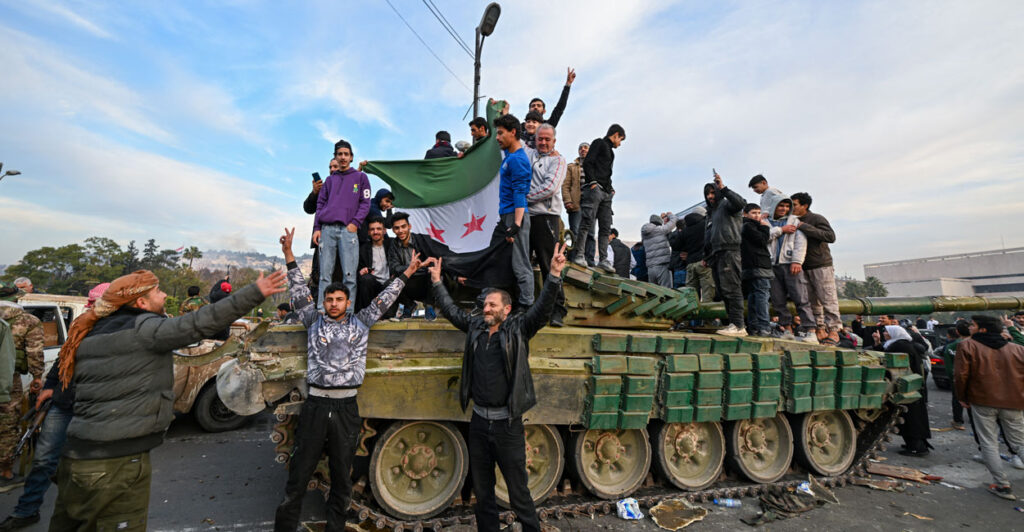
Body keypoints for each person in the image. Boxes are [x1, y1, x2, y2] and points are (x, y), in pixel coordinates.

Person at [47, 268, 283, 530]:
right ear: (141, 302)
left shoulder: (92, 334)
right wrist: (255, 292)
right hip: (116, 465)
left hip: (76, 459)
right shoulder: (143, 330)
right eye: (158, 291)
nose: (164, 295)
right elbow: (199, 322)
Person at [273, 228, 420, 531]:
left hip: (346, 409)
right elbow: (299, 291)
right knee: (298, 475)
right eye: (330, 299)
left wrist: (406, 273)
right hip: (315, 406)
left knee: (342, 477)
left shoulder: (361, 322)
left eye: (340, 299)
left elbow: (385, 298)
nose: (335, 304)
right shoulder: (313, 321)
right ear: (324, 302)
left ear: (347, 301)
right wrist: (289, 254)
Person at [427, 243, 567, 532]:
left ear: (507, 308)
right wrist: (438, 282)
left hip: (507, 425)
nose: (486, 308)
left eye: (492, 305)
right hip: (479, 422)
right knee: (483, 492)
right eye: (485, 305)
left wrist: (553, 276)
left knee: (518, 493)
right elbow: (453, 312)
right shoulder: (476, 328)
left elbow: (541, 311)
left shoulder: (519, 329)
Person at [955, 315, 1024, 500]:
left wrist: (962, 397)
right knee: (1019, 442)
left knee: (989, 443)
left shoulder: (967, 346)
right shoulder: (1017, 349)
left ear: (982, 329)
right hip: (1013, 401)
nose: (970, 327)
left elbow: (961, 375)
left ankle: (1002, 485)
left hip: (982, 400)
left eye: (974, 325)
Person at [313, 139, 372, 311]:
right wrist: (317, 228)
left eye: (346, 154)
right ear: (335, 157)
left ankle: (348, 313)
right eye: (340, 154)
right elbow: (320, 205)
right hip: (327, 230)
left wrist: (355, 223)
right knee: (325, 275)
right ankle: (322, 312)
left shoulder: (361, 178)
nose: (343, 157)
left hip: (348, 230)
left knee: (349, 276)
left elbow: (365, 203)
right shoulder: (330, 181)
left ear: (352, 157)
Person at [0, 286, 43, 494]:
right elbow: (34, 351)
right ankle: (6, 472)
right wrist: (37, 377)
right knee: (8, 424)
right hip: (9, 378)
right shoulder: (28, 321)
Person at [526, 123, 568, 326]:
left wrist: (522, 199)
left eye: (547, 139)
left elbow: (550, 188)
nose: (543, 142)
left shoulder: (558, 160)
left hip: (546, 217)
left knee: (548, 263)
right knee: (522, 262)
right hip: (525, 217)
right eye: (540, 138)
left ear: (554, 141)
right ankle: (524, 306)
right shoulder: (528, 153)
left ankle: (557, 309)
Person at [493, 114, 534, 307]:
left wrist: (516, 224)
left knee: (521, 265)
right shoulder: (510, 156)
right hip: (507, 216)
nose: (497, 137)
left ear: (513, 132)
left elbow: (520, 192)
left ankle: (526, 307)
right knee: (503, 262)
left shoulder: (518, 159)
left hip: (515, 216)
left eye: (501, 133)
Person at [790, 192, 841, 345]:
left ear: (804, 206)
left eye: (795, 204)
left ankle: (834, 330)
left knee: (828, 298)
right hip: (802, 266)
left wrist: (804, 227)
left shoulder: (816, 218)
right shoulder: (791, 221)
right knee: (812, 301)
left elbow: (830, 236)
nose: (792, 208)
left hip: (821, 265)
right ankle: (819, 328)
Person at [574, 124, 626, 273]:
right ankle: (579, 255)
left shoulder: (611, 152)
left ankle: (603, 260)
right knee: (587, 223)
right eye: (620, 139)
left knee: (605, 227)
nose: (619, 144)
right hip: (595, 190)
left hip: (606, 193)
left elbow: (607, 172)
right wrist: (592, 183)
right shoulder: (599, 143)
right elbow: (588, 162)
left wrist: (610, 188)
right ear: (615, 135)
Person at [766, 194, 817, 343]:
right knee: (777, 299)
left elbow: (801, 243)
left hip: (790, 264)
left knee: (801, 298)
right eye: (781, 205)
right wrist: (781, 230)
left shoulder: (795, 221)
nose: (784, 209)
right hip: (772, 265)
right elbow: (764, 237)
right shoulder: (765, 222)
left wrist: (797, 261)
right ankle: (786, 329)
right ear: (774, 206)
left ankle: (810, 330)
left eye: (787, 206)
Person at [876, 325, 931, 457]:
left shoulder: (899, 346)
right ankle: (915, 444)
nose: (884, 333)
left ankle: (917, 447)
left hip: (908, 388)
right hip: (911, 386)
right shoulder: (903, 343)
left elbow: (884, 355)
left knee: (911, 418)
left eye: (887, 332)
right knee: (911, 416)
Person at [702, 172, 747, 337]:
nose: (710, 196)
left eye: (713, 192)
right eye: (707, 193)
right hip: (716, 253)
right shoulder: (711, 213)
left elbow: (740, 203)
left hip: (730, 250)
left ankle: (739, 324)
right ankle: (732, 324)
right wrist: (707, 256)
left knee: (732, 288)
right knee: (723, 290)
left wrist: (724, 188)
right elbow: (708, 237)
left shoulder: (727, 205)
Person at [387, 212, 444, 320]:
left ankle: (429, 307)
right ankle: (409, 306)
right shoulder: (393, 245)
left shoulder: (422, 240)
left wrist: (423, 267)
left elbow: (437, 259)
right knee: (389, 283)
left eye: (403, 226)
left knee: (435, 274)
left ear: (409, 226)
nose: (400, 231)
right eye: (397, 228)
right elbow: (394, 268)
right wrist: (412, 267)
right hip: (407, 284)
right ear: (393, 230)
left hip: (424, 283)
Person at [304, 159, 344, 297]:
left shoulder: (351, 186)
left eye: (336, 166)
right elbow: (308, 208)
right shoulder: (324, 188)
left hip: (343, 241)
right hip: (322, 240)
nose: (332, 169)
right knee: (320, 276)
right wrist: (315, 192)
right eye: (330, 167)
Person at [741, 204, 773, 337]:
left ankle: (753, 326)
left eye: (759, 212)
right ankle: (764, 326)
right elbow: (762, 240)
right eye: (754, 212)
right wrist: (765, 227)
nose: (757, 215)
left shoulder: (744, 226)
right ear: (745, 214)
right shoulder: (749, 226)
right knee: (762, 295)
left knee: (754, 296)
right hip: (759, 265)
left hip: (750, 266)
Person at [357, 217, 398, 319]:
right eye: (372, 229)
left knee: (394, 281)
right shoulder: (363, 249)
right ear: (368, 232)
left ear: (384, 231)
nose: (375, 232)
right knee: (366, 279)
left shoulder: (393, 244)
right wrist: (361, 271)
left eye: (379, 229)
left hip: (388, 286)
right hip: (372, 287)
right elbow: (357, 270)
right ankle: (368, 313)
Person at [562, 142, 588, 262]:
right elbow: (565, 186)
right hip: (576, 204)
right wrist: (567, 201)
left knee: (590, 233)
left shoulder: (596, 166)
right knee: (575, 231)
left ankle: (589, 260)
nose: (583, 150)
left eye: (586, 147)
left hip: (590, 204)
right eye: (581, 148)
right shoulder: (571, 167)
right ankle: (572, 258)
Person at [942, 322, 970, 430]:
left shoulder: (951, 346)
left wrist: (952, 379)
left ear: (957, 332)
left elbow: (949, 368)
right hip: (974, 379)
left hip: (957, 379)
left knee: (957, 399)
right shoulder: (977, 344)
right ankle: (975, 421)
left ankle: (958, 421)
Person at [680, 211, 714, 302]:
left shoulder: (685, 230)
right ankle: (707, 314)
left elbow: (677, 245)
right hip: (703, 261)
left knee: (691, 293)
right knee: (708, 291)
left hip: (690, 263)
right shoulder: (704, 225)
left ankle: (693, 314)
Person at [641, 212, 678, 287]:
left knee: (654, 292)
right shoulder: (660, 230)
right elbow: (674, 221)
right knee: (666, 292)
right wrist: (669, 215)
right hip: (662, 265)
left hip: (650, 268)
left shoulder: (644, 233)